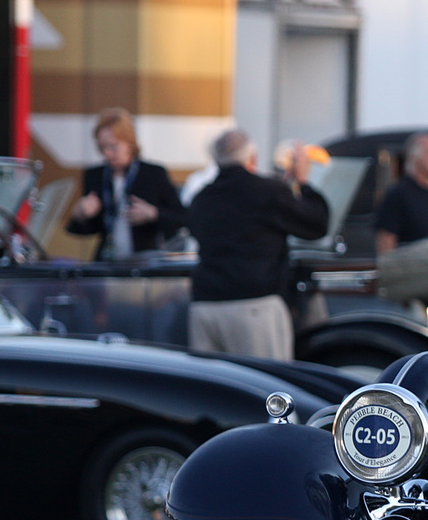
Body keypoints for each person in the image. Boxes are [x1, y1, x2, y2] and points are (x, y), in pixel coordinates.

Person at [186, 129, 329, 360]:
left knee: (211, 390)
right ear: (252, 158)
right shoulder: (267, 192)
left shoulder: (202, 198)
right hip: (254, 304)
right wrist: (303, 182)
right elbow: (315, 224)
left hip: (204, 306)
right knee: (266, 388)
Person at [65, 108, 187, 260]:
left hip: (145, 260)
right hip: (107, 261)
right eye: (102, 147)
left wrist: (153, 214)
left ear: (129, 144)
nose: (107, 154)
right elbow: (84, 229)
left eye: (113, 146)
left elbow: (181, 218)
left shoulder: (153, 174)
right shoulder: (95, 176)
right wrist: (81, 215)